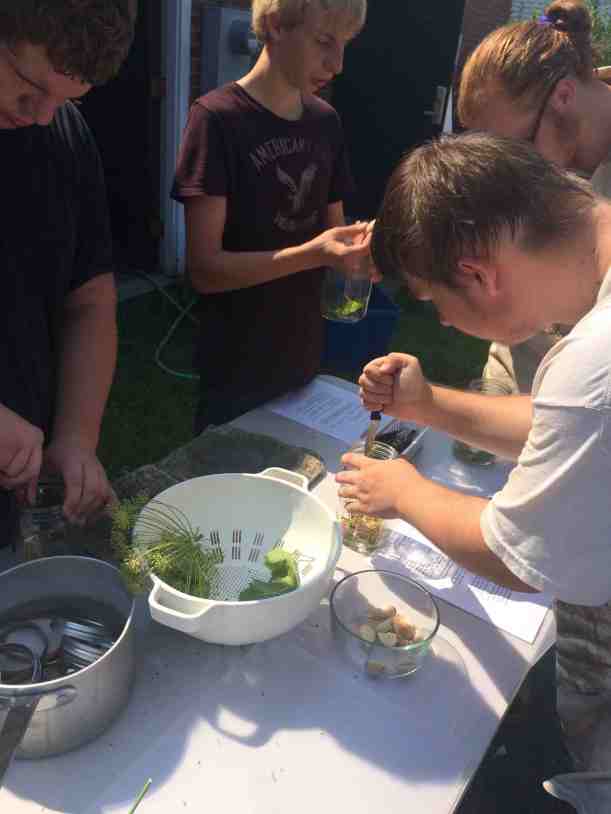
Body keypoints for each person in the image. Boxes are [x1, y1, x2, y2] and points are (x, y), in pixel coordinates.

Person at [335, 132, 611, 799]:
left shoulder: (595, 359)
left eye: (438, 305)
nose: (450, 328)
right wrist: (429, 405)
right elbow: (567, 430)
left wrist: (401, 491)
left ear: (479, 275)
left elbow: (518, 555)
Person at [172, 0, 371, 433]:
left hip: (302, 354)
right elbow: (205, 270)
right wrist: (315, 253)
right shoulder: (216, 120)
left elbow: (335, 237)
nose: (336, 64)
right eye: (324, 42)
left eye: (344, 46)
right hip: (235, 365)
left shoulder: (326, 122)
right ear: (277, 26)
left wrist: (361, 253)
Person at [0, 1, 134, 546]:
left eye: (68, 98)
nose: (41, 116)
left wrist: (77, 438)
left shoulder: (63, 134)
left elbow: (90, 300)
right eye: (29, 87)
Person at [457, 0, 611, 394]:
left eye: (518, 149)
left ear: (562, 96)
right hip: (512, 390)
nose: (512, 178)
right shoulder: (541, 159)